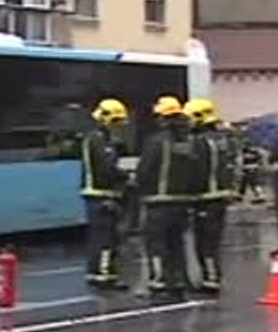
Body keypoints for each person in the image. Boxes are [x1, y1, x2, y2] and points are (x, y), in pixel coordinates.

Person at [135, 96, 199, 298]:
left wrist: (138, 187)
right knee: (176, 243)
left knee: (156, 244)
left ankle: (160, 281)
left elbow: (144, 171)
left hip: (158, 203)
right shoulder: (187, 141)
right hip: (181, 203)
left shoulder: (156, 142)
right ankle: (180, 279)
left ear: (163, 118)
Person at [186, 98, 236, 294]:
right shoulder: (222, 138)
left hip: (206, 198)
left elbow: (197, 171)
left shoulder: (200, 142)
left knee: (204, 242)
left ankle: (210, 280)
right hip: (220, 198)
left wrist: (188, 194)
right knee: (213, 241)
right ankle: (212, 277)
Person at [80, 98, 131, 289]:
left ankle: (96, 273)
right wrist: (125, 177)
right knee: (106, 237)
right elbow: (106, 168)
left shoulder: (98, 138)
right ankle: (105, 275)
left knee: (100, 236)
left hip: (98, 194)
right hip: (101, 194)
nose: (119, 126)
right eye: (116, 122)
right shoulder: (98, 139)